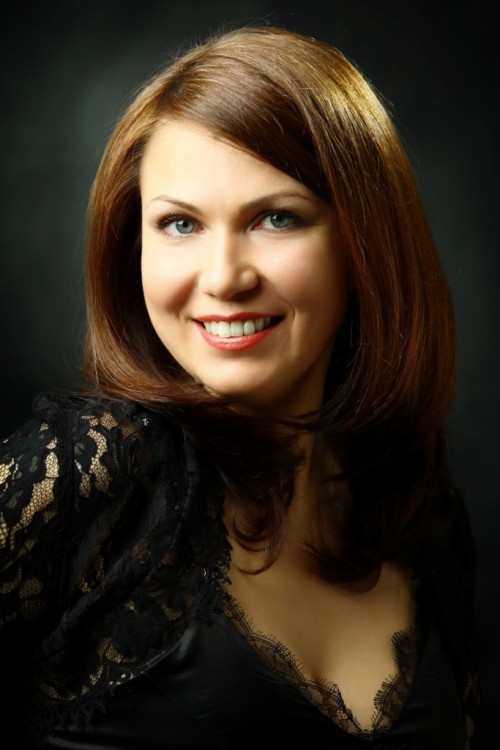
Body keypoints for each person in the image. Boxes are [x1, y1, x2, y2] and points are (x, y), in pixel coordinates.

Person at [0, 25, 479, 749]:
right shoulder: (88, 473)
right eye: (179, 224)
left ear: (365, 242)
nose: (224, 277)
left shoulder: (427, 520)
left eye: (276, 218)